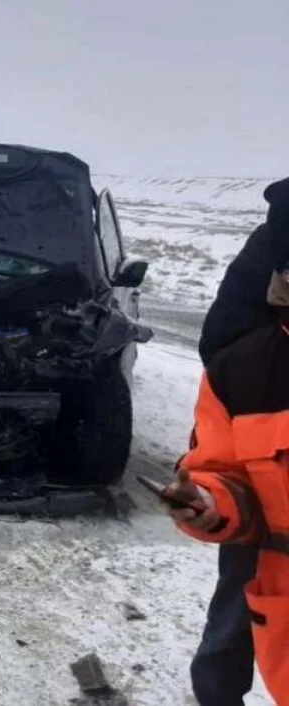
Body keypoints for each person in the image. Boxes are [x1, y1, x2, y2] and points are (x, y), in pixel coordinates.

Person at [188, 176, 289, 706]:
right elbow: (220, 336)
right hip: (256, 429)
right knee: (245, 578)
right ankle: (218, 693)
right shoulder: (278, 230)